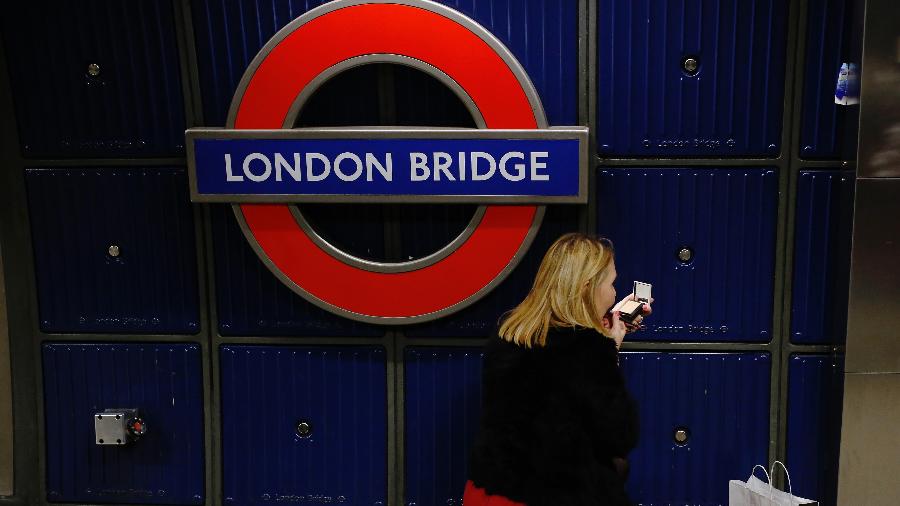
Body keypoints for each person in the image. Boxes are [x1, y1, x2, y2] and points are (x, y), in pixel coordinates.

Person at [464, 233, 651, 506]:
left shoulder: (510, 332)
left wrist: (604, 334)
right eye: (612, 283)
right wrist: (609, 348)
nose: (613, 294)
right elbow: (621, 435)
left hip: (489, 493)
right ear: (589, 287)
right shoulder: (589, 349)